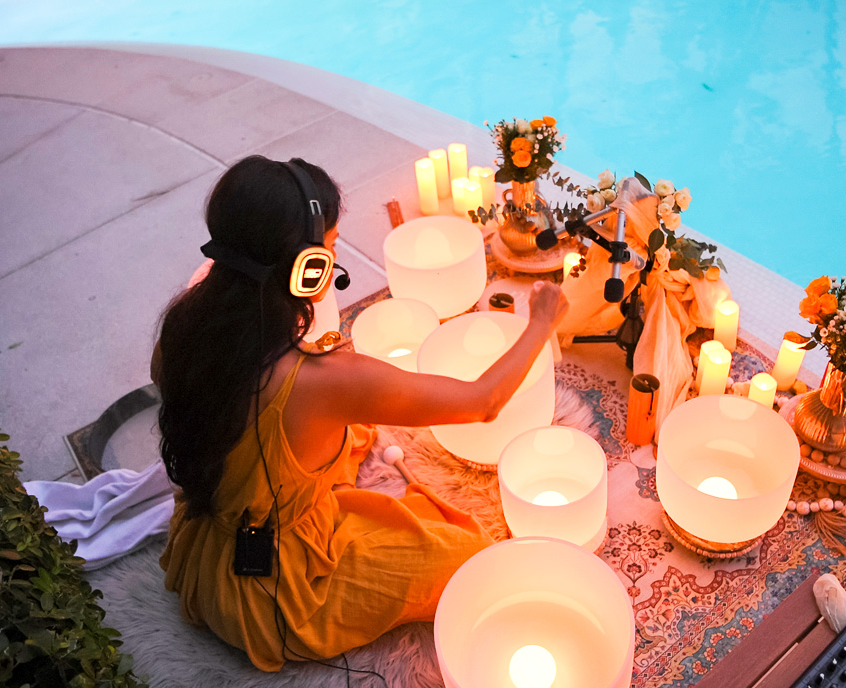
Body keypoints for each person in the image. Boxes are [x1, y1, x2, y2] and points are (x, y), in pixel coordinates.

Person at [152, 155, 568, 671]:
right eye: (327, 251)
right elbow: (483, 402)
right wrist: (540, 323)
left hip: (206, 552)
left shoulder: (183, 327)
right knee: (470, 557)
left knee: (349, 440)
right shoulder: (325, 382)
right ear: (308, 271)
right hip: (274, 598)